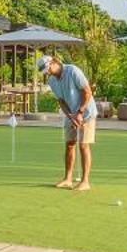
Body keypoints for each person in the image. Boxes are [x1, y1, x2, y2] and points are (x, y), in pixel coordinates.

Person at [41, 53, 95, 190]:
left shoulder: (73, 71)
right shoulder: (52, 81)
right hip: (71, 113)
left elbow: (87, 92)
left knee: (83, 145)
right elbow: (61, 101)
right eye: (46, 72)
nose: (48, 73)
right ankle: (68, 179)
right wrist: (71, 116)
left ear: (54, 62)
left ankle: (85, 181)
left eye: (48, 69)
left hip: (86, 112)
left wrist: (80, 113)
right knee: (70, 144)